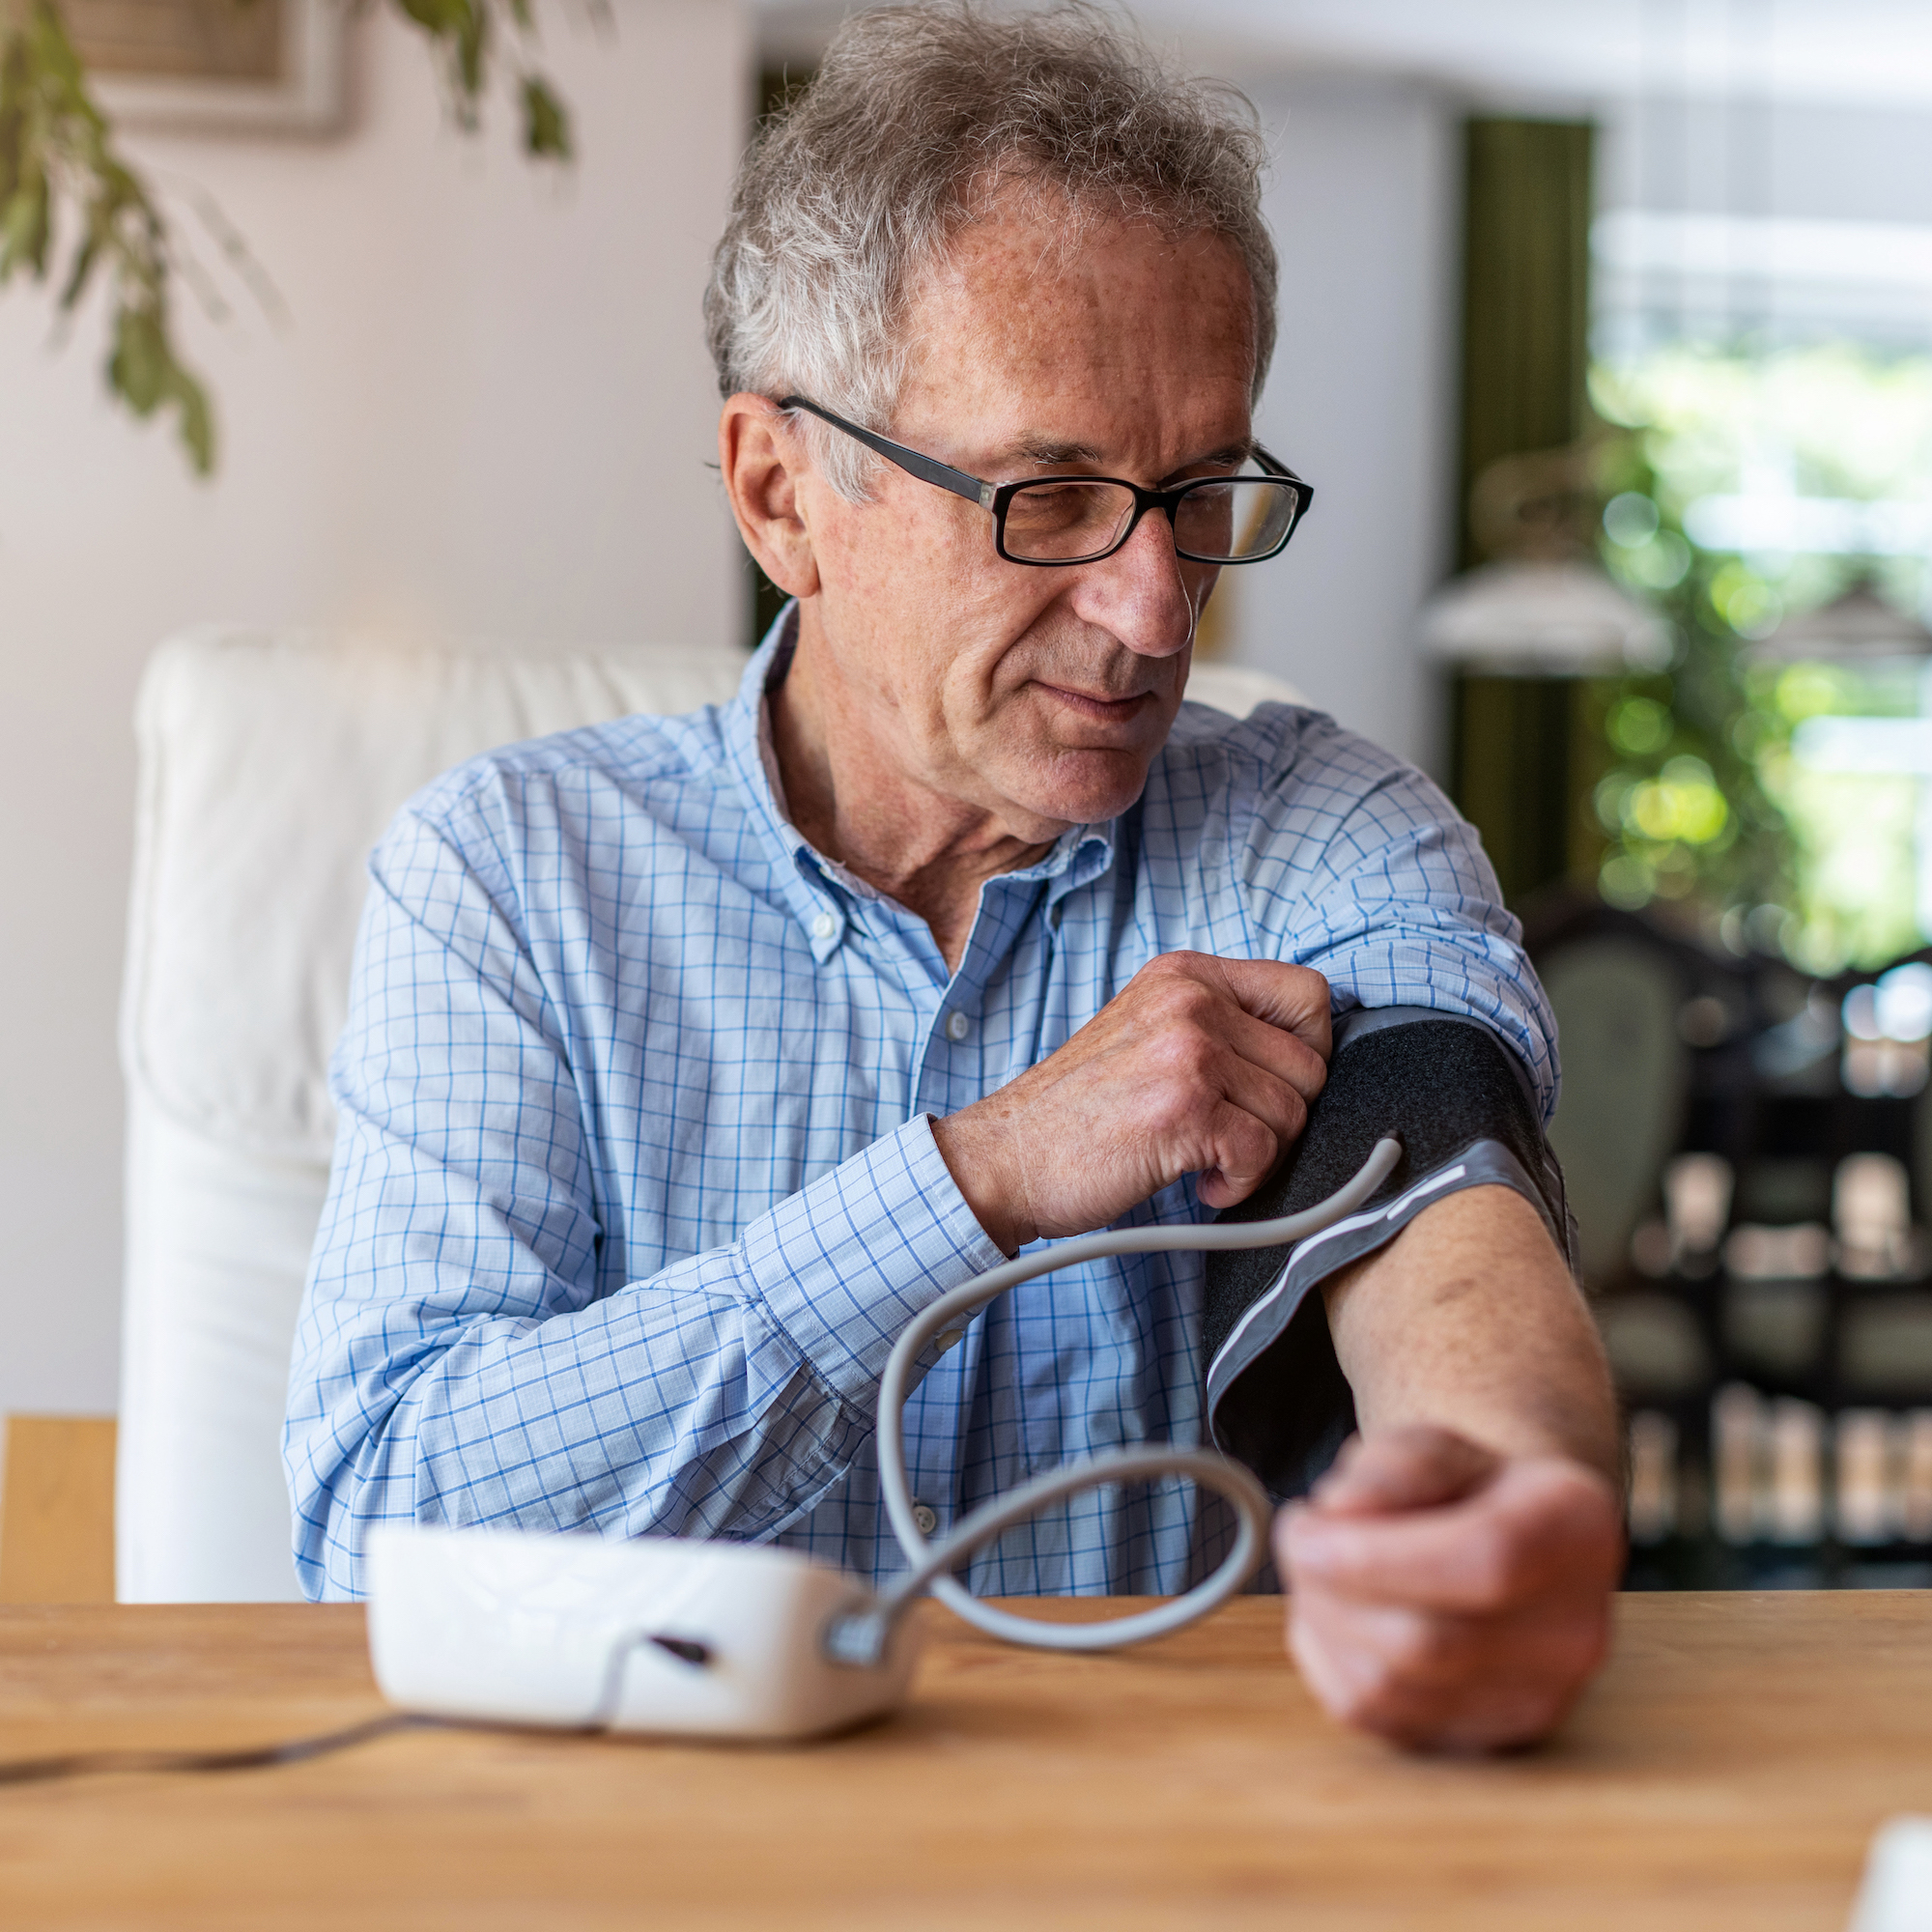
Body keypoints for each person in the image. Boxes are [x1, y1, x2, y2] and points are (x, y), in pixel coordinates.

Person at [286, 2, 1622, 1751]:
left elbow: (1450, 1213)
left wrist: (1505, 1492)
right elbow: (377, 1543)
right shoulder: (511, 883)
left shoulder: (1325, 832)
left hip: (1170, 1854)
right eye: (1048, 496)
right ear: (781, 494)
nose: (1159, 613)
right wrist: (978, 1177)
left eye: (1202, 489)